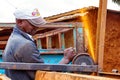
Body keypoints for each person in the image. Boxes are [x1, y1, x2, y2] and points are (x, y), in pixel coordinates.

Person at [3, 8, 76, 80]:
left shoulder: (14, 38)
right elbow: (44, 75)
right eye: (32, 24)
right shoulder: (25, 45)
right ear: (20, 22)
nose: (36, 27)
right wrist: (66, 59)